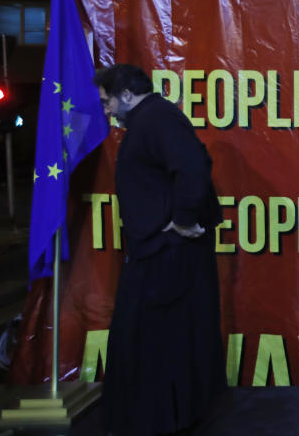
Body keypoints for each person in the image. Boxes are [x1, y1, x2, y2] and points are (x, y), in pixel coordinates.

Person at [94, 64, 225, 435]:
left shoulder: (157, 118)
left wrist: (182, 219)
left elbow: (193, 167)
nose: (106, 110)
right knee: (159, 337)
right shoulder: (150, 119)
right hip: (159, 249)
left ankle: (168, 417)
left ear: (127, 95)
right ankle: (165, 416)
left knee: (160, 338)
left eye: (108, 102)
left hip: (168, 252)